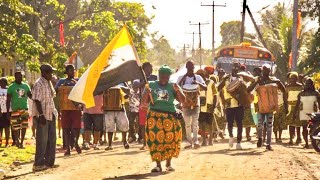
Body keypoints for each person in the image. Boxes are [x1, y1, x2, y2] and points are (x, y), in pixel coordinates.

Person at [142, 65, 185, 172]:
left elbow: (183, 100)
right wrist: (147, 92)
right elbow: (144, 101)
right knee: (156, 139)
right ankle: (158, 165)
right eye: (162, 75)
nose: (164, 78)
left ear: (169, 76)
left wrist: (178, 90)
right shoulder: (151, 85)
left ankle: (168, 164)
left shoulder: (173, 86)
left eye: (166, 76)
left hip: (170, 116)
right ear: (159, 75)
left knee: (171, 139)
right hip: (154, 115)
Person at [248, 64, 287, 150]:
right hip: (260, 105)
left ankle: (268, 143)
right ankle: (260, 139)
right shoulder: (258, 80)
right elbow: (248, 90)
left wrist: (279, 83)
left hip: (270, 106)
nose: (265, 71)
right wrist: (257, 83)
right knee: (260, 125)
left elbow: (284, 90)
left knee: (269, 125)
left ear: (270, 71)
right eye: (264, 70)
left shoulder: (274, 80)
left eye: (267, 70)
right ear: (262, 70)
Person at [32, 64, 57, 172]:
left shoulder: (49, 82)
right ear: (44, 73)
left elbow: (51, 97)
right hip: (43, 116)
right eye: (50, 72)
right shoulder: (39, 84)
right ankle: (38, 164)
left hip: (51, 113)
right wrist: (41, 115)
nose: (51, 74)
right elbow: (37, 100)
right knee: (42, 141)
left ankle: (49, 162)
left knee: (51, 140)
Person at [177, 60, 207, 149]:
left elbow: (205, 88)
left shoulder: (198, 77)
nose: (191, 69)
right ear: (186, 68)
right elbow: (176, 87)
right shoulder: (182, 78)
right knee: (187, 124)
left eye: (192, 67)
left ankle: (196, 140)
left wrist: (197, 83)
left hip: (196, 103)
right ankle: (189, 142)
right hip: (185, 104)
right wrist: (183, 79)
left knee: (195, 123)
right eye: (190, 67)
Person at [218, 62, 246, 149]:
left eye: (238, 67)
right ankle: (231, 136)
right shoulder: (226, 78)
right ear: (232, 67)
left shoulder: (241, 78)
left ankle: (238, 142)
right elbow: (218, 87)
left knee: (239, 123)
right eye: (234, 67)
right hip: (229, 104)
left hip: (239, 103)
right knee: (229, 123)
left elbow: (245, 91)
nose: (236, 68)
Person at [55, 65, 82, 156]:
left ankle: (76, 142)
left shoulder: (78, 81)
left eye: (73, 70)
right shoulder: (61, 81)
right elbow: (55, 91)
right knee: (66, 128)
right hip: (65, 107)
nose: (72, 71)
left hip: (76, 108)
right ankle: (67, 148)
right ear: (66, 72)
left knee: (76, 127)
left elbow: (82, 91)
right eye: (70, 70)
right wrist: (61, 87)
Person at [7, 71, 32, 149]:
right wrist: (8, 112)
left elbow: (31, 96)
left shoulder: (26, 86)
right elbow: (8, 100)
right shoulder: (11, 87)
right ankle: (17, 140)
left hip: (24, 109)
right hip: (15, 109)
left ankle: (21, 142)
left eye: (21, 76)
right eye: (18, 76)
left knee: (24, 126)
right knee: (15, 127)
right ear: (15, 77)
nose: (20, 78)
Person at [294, 78, 320, 148]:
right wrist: (294, 113)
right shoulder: (301, 93)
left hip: (313, 113)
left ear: (312, 85)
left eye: (309, 84)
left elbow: (319, 103)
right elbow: (297, 104)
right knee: (304, 128)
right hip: (303, 113)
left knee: (314, 129)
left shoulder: (316, 93)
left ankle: (313, 142)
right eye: (307, 83)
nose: (308, 85)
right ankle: (306, 143)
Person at [104, 84, 130, 150]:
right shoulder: (105, 82)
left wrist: (121, 88)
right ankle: (110, 145)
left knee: (124, 124)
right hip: (108, 109)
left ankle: (125, 141)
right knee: (109, 127)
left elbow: (128, 92)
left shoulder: (122, 82)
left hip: (120, 109)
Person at [138, 62, 158, 150]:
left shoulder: (155, 78)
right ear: (144, 69)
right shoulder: (139, 78)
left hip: (153, 104)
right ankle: (144, 143)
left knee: (153, 124)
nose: (150, 70)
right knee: (143, 125)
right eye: (148, 68)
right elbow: (135, 85)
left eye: (151, 68)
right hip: (143, 105)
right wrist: (144, 82)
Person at [196, 69, 217, 145]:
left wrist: (214, 105)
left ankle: (210, 139)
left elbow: (215, 94)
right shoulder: (197, 84)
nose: (199, 76)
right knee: (202, 123)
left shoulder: (211, 82)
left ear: (204, 74)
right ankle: (204, 140)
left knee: (210, 123)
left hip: (209, 105)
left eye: (201, 75)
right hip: (201, 105)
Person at [286, 72, 303, 145]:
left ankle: (298, 137)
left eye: (294, 78)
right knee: (290, 123)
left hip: (298, 106)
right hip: (290, 106)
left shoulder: (300, 86)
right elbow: (286, 96)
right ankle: (290, 138)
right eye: (292, 78)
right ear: (290, 79)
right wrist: (286, 106)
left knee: (298, 123)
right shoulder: (288, 87)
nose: (293, 80)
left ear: (297, 79)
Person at [0, 78, 10, 147]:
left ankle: (7, 142)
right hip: (0, 111)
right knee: (0, 128)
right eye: (0, 82)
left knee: (7, 127)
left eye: (3, 82)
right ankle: (0, 142)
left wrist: (8, 111)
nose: (1, 83)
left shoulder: (9, 90)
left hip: (7, 111)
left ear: (6, 83)